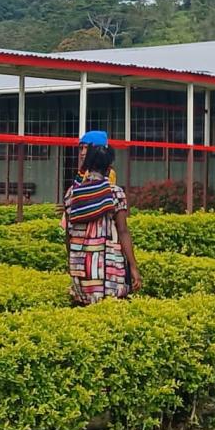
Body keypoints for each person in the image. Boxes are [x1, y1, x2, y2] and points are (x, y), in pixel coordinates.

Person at [62, 131, 140, 305]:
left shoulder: (72, 193)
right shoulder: (115, 193)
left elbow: (68, 234)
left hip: (81, 266)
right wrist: (133, 266)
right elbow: (123, 231)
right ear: (109, 165)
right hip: (108, 269)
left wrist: (71, 261)